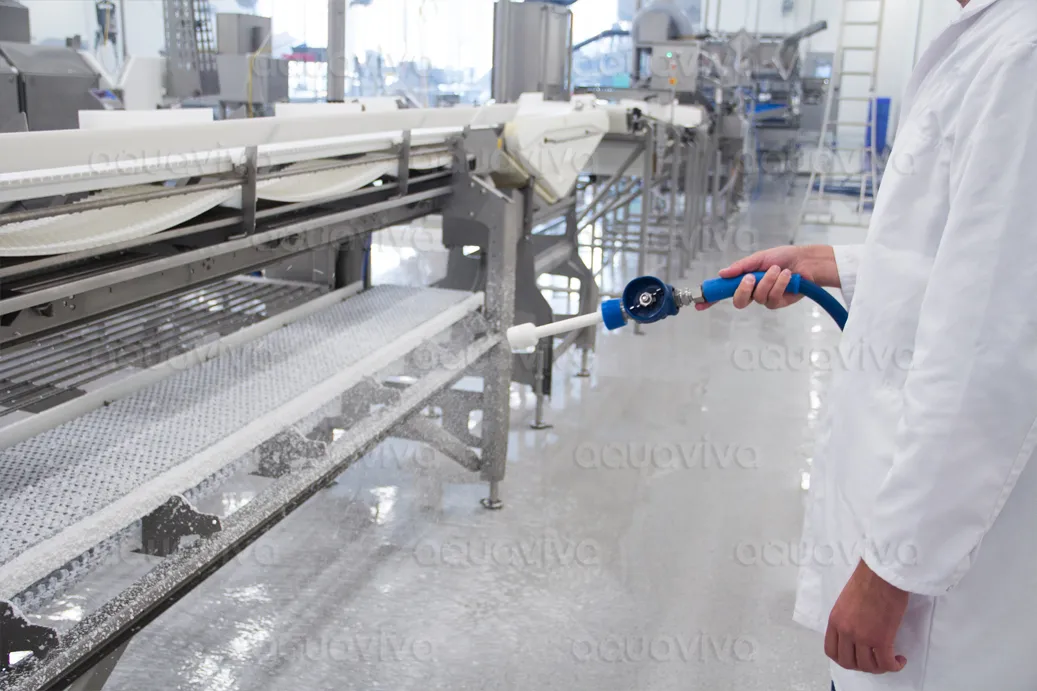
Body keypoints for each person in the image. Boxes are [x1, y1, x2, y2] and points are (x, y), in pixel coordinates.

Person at [704, 0, 1037, 689]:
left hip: (941, 600)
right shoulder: (985, 39)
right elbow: (952, 262)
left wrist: (890, 572)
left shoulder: (1020, 56)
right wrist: (830, 263)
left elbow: (990, 352)